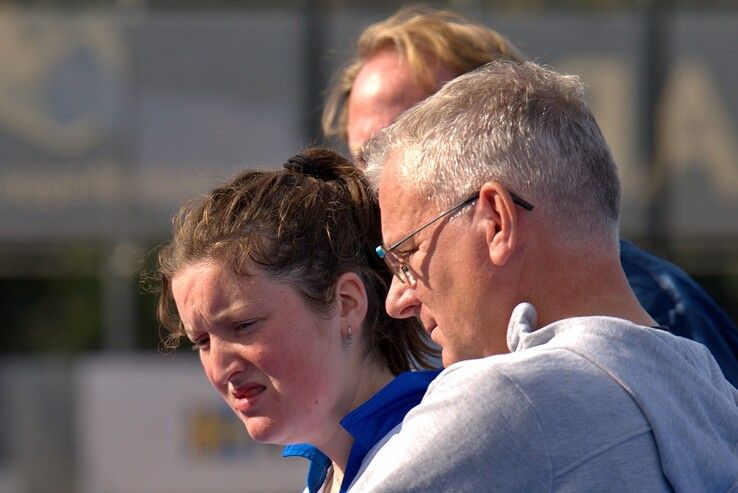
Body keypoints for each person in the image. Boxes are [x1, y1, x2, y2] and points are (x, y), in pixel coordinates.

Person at [347, 60, 738, 491]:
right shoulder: (714, 395)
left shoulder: (500, 400)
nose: (397, 299)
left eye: (408, 254)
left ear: (496, 221)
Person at [322, 5, 738, 387]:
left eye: (418, 135)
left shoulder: (647, 308)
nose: (381, 182)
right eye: (365, 157)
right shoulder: (371, 310)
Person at [154, 148, 439, 493]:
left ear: (346, 303)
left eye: (243, 325)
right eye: (202, 341)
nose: (219, 366)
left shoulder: (438, 451)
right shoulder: (333, 474)